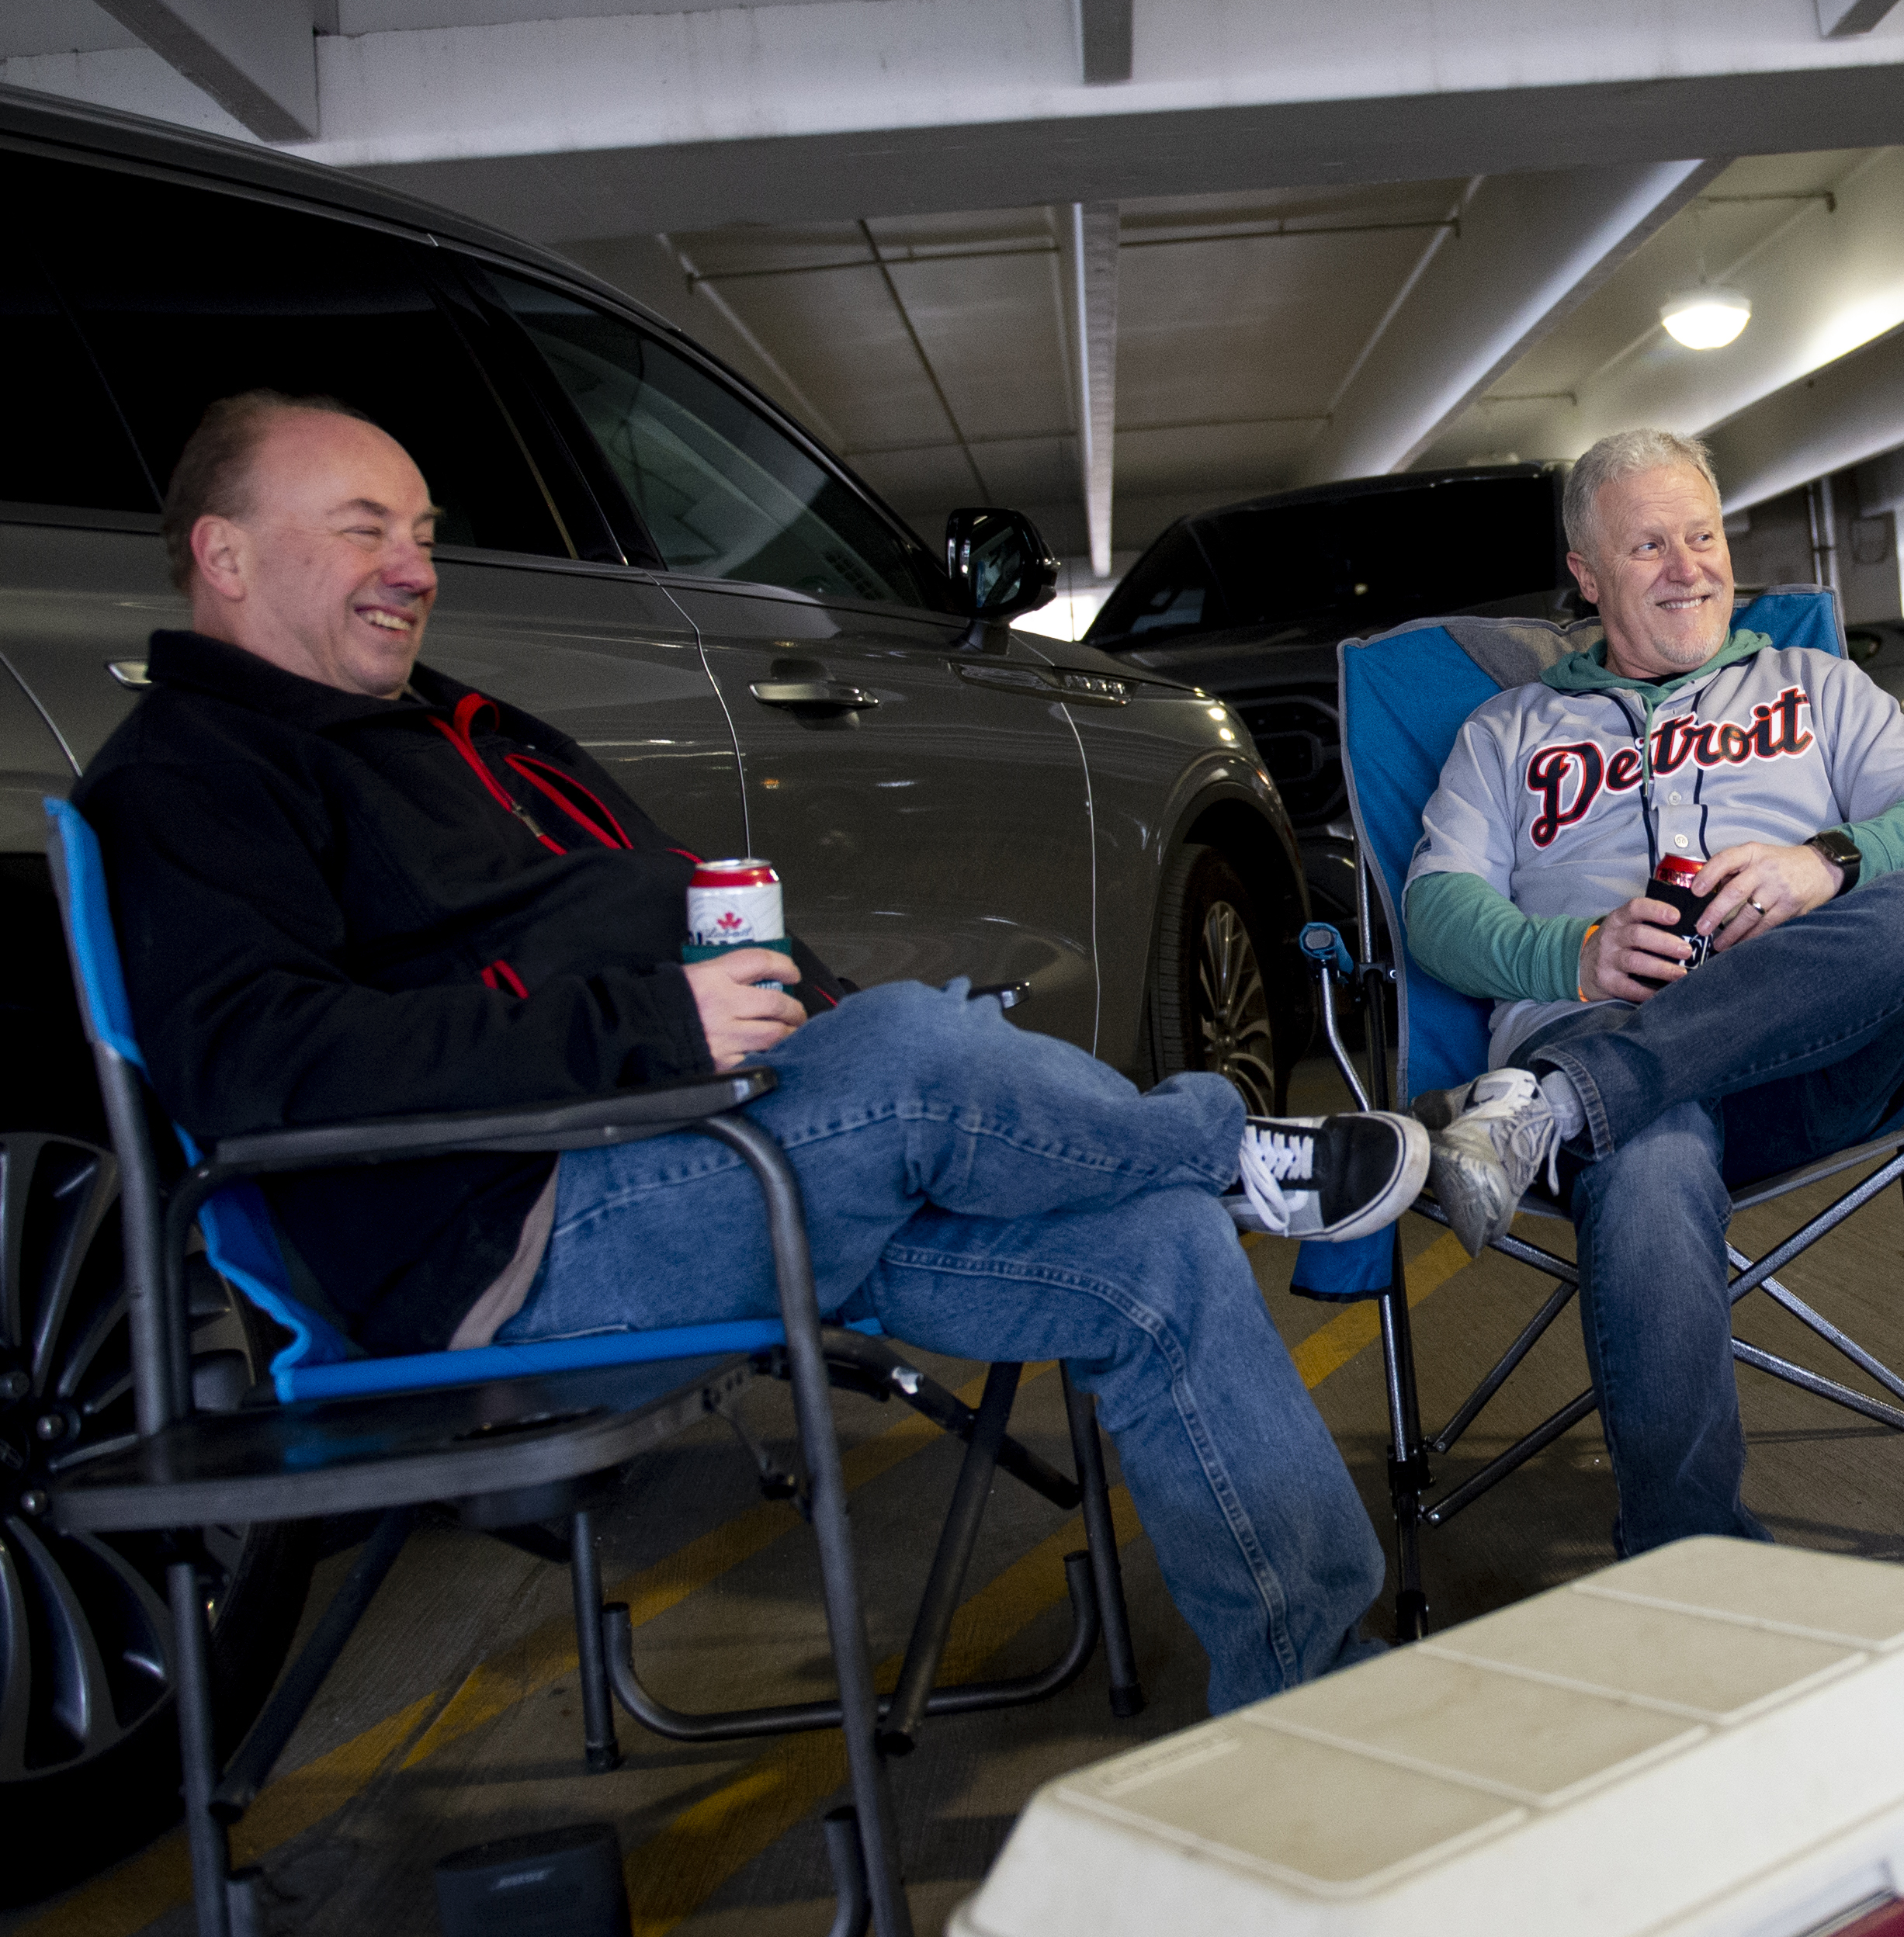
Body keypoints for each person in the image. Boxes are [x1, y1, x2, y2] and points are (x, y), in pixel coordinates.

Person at [78, 390, 1413, 1710]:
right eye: (366, 529)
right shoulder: (197, 776)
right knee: (918, 1046)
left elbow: (642, 894)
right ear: (226, 552)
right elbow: (259, 1062)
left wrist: (789, 1003)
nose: (415, 568)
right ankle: (1228, 1150)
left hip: (692, 1153)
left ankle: (1315, 1687)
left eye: (422, 531)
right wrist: (663, 1026)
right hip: (518, 1246)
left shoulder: (440, 728)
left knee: (1154, 1251)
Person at [1403, 428, 1904, 1553]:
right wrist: (1571, 955)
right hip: (1614, 1046)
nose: (1690, 568)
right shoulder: (1509, 733)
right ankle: (1692, 1561)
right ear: (1586, 577)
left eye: (1704, 536)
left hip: (1806, 1064)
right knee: (1650, 1150)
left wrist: (1823, 864)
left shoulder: (1816, 686)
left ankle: (1561, 1103)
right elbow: (1436, 910)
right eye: (1649, 547)